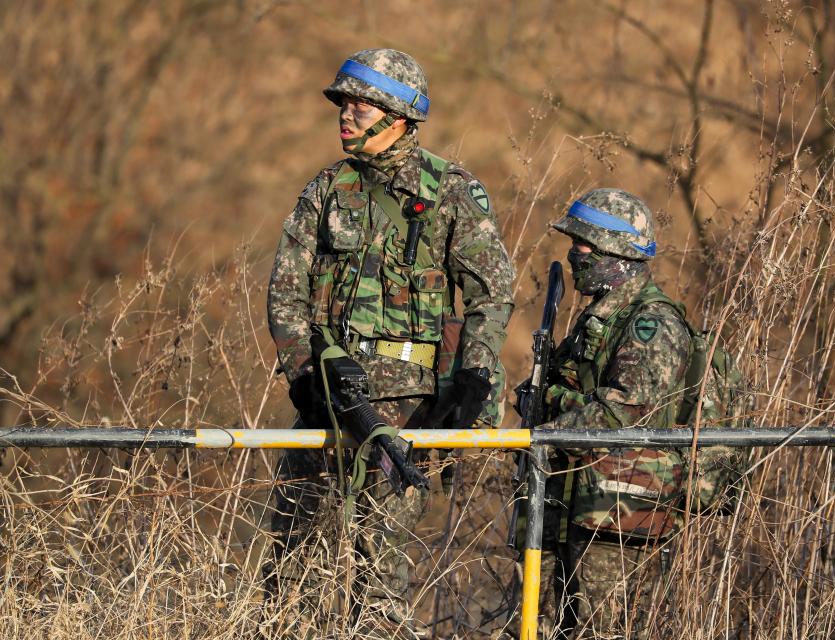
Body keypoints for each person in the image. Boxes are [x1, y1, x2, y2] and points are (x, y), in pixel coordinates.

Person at [265, 48, 515, 637]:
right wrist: (303, 375)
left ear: (397, 115)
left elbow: (492, 294)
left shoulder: (452, 191)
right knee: (291, 566)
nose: (344, 115)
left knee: (378, 577)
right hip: (328, 401)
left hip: (405, 412)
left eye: (358, 104)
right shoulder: (326, 190)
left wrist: (473, 377)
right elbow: (285, 290)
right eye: (343, 103)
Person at [511, 188, 745, 639]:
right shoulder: (598, 317)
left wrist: (551, 414)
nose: (573, 255)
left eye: (581, 246)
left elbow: (626, 415)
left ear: (612, 251)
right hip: (575, 500)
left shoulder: (651, 324)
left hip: (617, 513)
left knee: (605, 630)